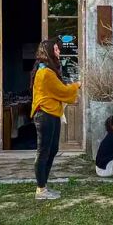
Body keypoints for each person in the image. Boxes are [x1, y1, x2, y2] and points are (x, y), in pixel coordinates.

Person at [30, 39, 80, 200]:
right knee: (43, 151)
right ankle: (41, 189)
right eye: (56, 49)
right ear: (50, 52)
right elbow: (62, 91)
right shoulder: (45, 73)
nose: (59, 52)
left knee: (52, 150)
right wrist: (76, 85)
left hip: (52, 114)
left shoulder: (48, 70)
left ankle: (44, 185)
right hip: (44, 115)